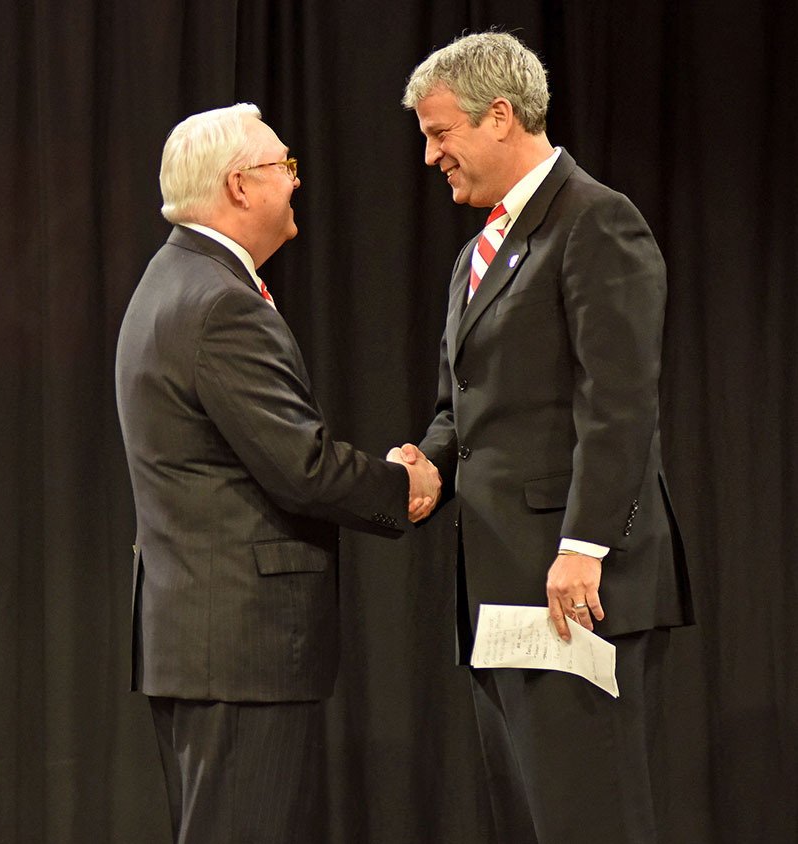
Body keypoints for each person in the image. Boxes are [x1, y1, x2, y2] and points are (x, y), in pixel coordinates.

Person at [395, 32, 694, 843]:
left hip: (575, 591)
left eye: (439, 132)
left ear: (500, 116)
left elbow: (620, 401)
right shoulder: (473, 257)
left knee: (588, 819)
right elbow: (462, 404)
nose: (431, 156)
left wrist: (584, 547)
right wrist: (428, 459)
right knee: (528, 822)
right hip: (498, 590)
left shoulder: (596, 221)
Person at [114, 103, 440, 844]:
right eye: (285, 168)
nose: (296, 184)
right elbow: (301, 467)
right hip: (238, 648)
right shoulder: (219, 304)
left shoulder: (170, 280)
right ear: (239, 186)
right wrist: (404, 485)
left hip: (200, 642)